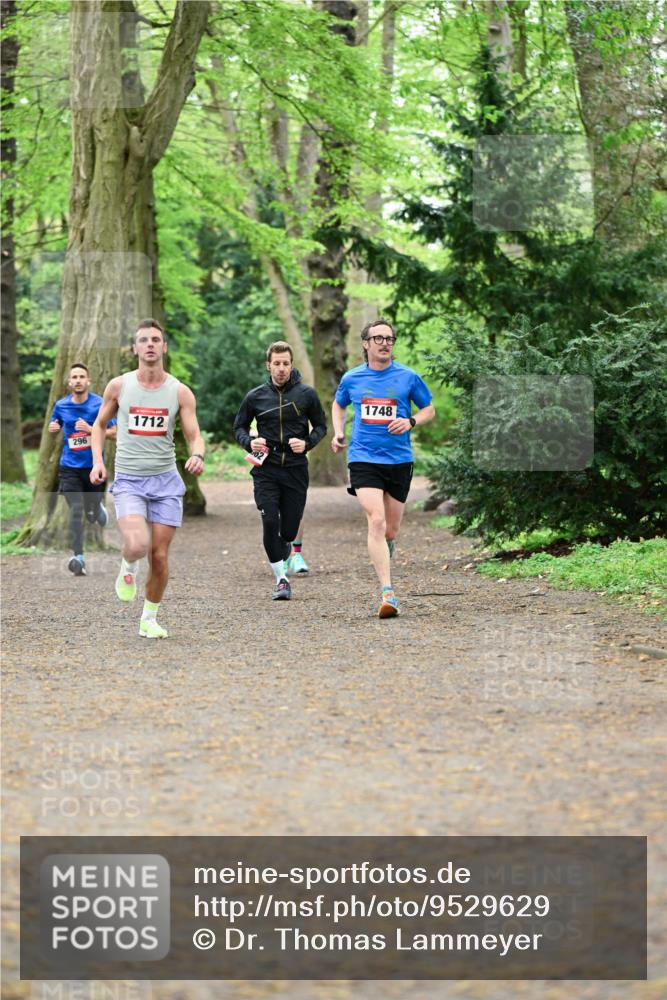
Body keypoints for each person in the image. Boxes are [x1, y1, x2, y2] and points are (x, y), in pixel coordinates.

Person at [90, 319, 205, 639]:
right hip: (129, 479)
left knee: (159, 555)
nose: (151, 344)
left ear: (164, 346)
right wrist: (97, 461)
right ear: (135, 348)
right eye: (144, 340)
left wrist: (197, 455)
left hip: (166, 482)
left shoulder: (180, 391)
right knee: (138, 545)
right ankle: (127, 566)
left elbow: (195, 435)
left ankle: (149, 618)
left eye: (156, 339)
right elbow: (99, 425)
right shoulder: (119, 386)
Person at [331, 319, 435, 618]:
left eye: (389, 338)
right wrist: (339, 432)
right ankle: (388, 591)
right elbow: (338, 405)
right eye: (378, 338)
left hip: (399, 460)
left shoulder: (408, 377)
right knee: (375, 520)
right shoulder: (352, 378)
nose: (385, 343)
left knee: (391, 530)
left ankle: (383, 558)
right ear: (366, 344)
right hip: (363, 457)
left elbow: (429, 408)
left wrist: (411, 421)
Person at [233, 342, 327, 600]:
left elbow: (321, 426)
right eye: (277, 363)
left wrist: (307, 443)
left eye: (286, 363)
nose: (281, 368)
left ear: (291, 365)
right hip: (267, 469)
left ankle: (286, 547)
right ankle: (281, 580)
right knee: (269, 521)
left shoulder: (307, 395)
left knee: (288, 529)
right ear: (269, 365)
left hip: (296, 470)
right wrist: (249, 442)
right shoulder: (255, 396)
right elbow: (239, 427)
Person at [48, 362, 116, 577]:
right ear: (69, 382)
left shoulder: (99, 404)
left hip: (94, 467)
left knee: (90, 513)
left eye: (81, 377)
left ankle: (96, 510)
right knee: (76, 510)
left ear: (88, 381)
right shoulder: (61, 405)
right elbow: (54, 425)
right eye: (74, 377)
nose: (77, 380)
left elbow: (115, 431)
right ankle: (78, 557)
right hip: (69, 467)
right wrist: (53, 428)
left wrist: (92, 429)